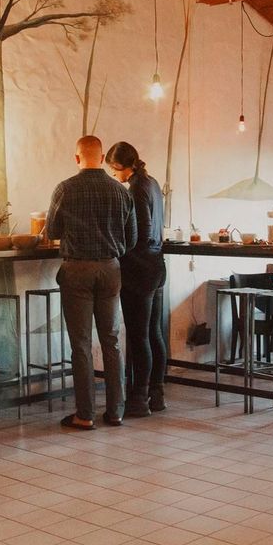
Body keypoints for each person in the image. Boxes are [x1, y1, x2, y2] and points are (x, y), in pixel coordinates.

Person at [46, 135, 136, 430]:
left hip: (78, 271)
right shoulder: (120, 192)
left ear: (77, 158)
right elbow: (131, 237)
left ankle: (85, 415)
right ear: (101, 158)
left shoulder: (65, 188)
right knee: (111, 341)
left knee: (81, 344)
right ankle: (116, 412)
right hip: (111, 270)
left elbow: (53, 230)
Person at [105, 141, 168, 416]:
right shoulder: (152, 182)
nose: (113, 174)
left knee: (139, 335)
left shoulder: (134, 188)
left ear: (120, 166)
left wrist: (119, 246)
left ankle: (138, 398)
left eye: (112, 169)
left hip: (139, 269)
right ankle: (157, 393)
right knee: (154, 333)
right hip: (156, 265)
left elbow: (140, 232)